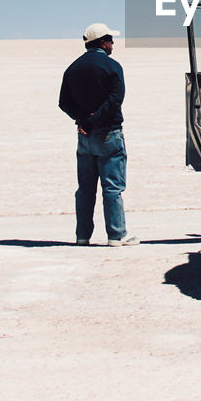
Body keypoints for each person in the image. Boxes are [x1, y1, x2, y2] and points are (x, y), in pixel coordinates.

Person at [58, 23, 139, 247]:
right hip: (109, 134)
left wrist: (83, 121)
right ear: (103, 42)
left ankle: (82, 236)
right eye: (111, 40)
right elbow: (115, 100)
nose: (113, 44)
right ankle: (116, 235)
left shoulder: (72, 68)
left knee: (85, 188)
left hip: (84, 136)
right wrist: (94, 121)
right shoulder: (112, 66)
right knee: (112, 187)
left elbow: (64, 102)